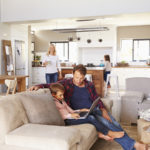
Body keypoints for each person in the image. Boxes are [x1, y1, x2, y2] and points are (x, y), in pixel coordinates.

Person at [29, 64, 147, 150]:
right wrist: (37, 86)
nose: (78, 80)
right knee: (107, 125)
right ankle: (135, 145)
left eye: (81, 78)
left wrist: (103, 110)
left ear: (85, 77)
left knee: (113, 122)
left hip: (93, 109)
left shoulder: (89, 85)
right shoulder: (66, 83)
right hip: (81, 113)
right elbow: (50, 85)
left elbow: (96, 99)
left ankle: (133, 145)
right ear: (73, 74)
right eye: (76, 77)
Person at [50, 82, 124, 141]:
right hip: (68, 120)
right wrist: (70, 116)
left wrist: (80, 110)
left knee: (89, 114)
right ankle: (108, 132)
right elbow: (59, 115)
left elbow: (71, 110)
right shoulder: (54, 103)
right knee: (91, 118)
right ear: (53, 95)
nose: (62, 97)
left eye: (63, 95)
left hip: (72, 116)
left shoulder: (61, 100)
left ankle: (103, 133)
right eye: (60, 95)